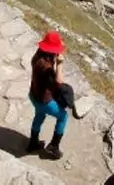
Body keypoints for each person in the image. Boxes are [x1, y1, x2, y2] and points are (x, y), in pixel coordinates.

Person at [28, 31, 73, 160]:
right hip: (45, 101)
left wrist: (58, 45)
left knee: (39, 115)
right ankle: (54, 146)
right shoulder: (47, 68)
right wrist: (60, 64)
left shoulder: (37, 56)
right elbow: (59, 81)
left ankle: (33, 142)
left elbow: (52, 46)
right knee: (63, 117)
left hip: (34, 95)